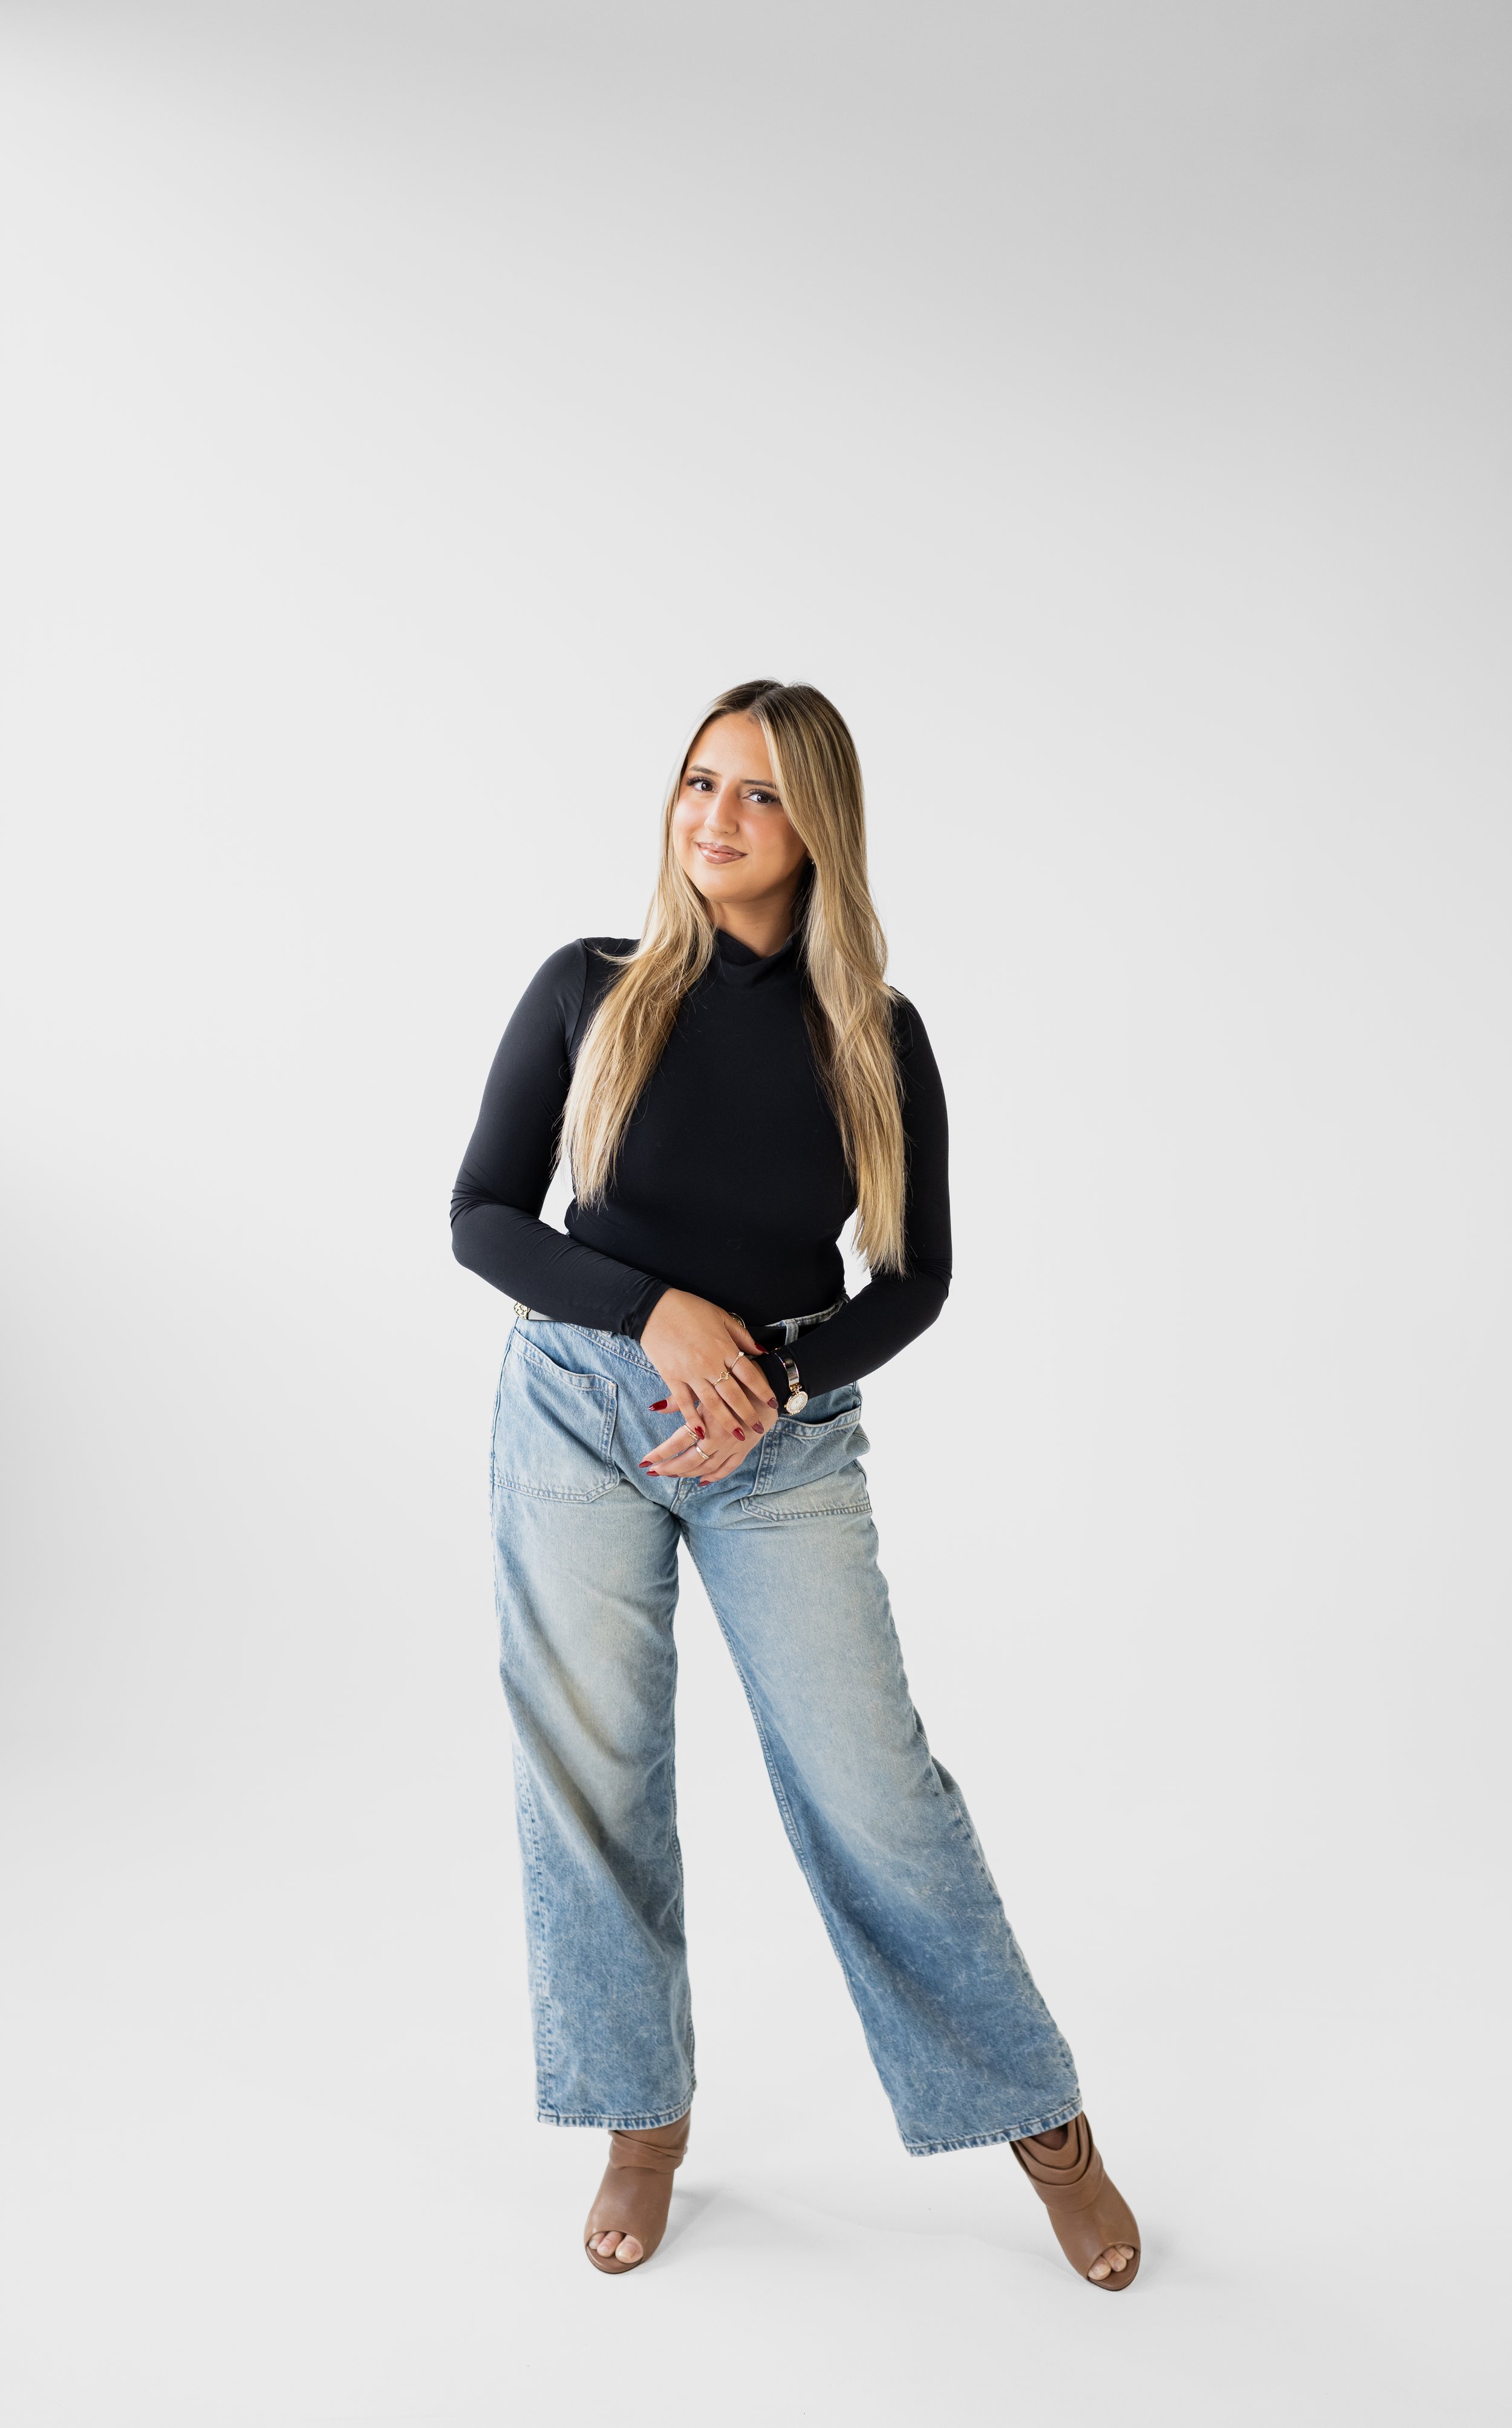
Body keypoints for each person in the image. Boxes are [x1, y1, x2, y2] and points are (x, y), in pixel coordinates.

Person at [450, 680, 1139, 2288]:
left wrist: (773, 1380)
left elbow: (913, 1279)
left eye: (756, 795)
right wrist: (652, 1312)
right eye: (699, 782)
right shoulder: (587, 988)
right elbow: (482, 1215)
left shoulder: (876, 1038)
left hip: (777, 1443)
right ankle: (641, 2127)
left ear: (816, 823)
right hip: (573, 1409)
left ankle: (1045, 2127)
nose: (716, 818)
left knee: (873, 1791)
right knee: (592, 1777)